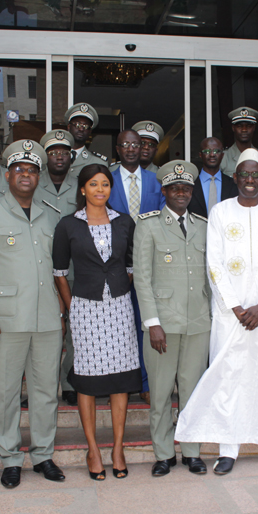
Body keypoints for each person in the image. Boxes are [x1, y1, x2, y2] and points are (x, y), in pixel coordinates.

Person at [175, 149, 258, 475]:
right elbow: (214, 264)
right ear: (236, 178)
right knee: (228, 376)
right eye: (243, 175)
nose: (249, 180)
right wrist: (236, 307)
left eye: (255, 175)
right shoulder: (219, 212)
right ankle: (227, 450)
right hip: (230, 314)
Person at [0, 140, 66, 489]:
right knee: (6, 392)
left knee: (45, 392)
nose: (26, 175)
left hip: (46, 319)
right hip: (4, 320)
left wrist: (63, 311)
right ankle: (9, 458)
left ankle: (42, 455)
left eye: (32, 170)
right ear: (7, 175)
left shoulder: (50, 215)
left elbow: (58, 270)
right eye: (20, 170)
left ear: (39, 177)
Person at [52, 164, 140, 480]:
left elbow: (131, 264)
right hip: (85, 310)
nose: (100, 189)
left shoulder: (125, 222)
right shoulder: (68, 226)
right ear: (83, 189)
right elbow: (59, 273)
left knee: (120, 379)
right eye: (93, 184)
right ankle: (92, 448)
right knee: (87, 380)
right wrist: (71, 306)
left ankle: (117, 448)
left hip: (119, 308)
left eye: (105, 184)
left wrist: (118, 287)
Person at [133, 160, 210, 477]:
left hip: (198, 323)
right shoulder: (148, 225)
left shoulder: (204, 226)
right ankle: (164, 453)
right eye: (175, 188)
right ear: (163, 191)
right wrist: (152, 323)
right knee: (162, 393)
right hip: (162, 325)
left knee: (192, 392)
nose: (181, 193)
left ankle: (192, 451)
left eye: (187, 188)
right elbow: (142, 278)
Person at [107, 129, 165, 403]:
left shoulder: (157, 180)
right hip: (112, 264)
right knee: (117, 325)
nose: (131, 149)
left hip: (149, 265)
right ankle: (118, 382)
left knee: (147, 322)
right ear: (117, 149)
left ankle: (145, 381)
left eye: (136, 144)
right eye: (125, 145)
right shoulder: (105, 179)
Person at [36, 129, 80, 406]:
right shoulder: (31, 182)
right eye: (53, 153)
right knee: (45, 332)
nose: (59, 157)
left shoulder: (80, 185)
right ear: (45, 157)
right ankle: (44, 387)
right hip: (39, 269)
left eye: (64, 152)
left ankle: (69, 382)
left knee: (75, 329)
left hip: (75, 269)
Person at [188, 137, 238, 218]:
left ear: (222, 155)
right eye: (207, 151)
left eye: (217, 151)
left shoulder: (233, 185)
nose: (212, 154)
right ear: (200, 155)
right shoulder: (190, 185)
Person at [220, 106, 258, 177]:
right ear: (233, 128)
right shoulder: (223, 158)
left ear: (254, 128)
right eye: (239, 126)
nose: (244, 130)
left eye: (249, 126)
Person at [65, 103, 109, 179]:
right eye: (77, 124)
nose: (81, 129)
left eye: (86, 126)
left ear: (90, 131)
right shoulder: (55, 156)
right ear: (69, 127)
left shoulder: (98, 162)